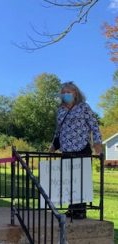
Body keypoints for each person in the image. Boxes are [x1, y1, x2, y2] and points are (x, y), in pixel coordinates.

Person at [49, 81, 102, 219]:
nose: (66, 94)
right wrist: (53, 145)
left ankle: (80, 211)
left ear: (75, 93)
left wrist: (97, 143)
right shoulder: (60, 110)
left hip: (82, 148)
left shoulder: (84, 107)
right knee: (69, 181)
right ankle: (71, 209)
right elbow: (58, 130)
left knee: (80, 180)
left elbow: (94, 126)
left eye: (69, 92)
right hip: (66, 150)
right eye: (64, 92)